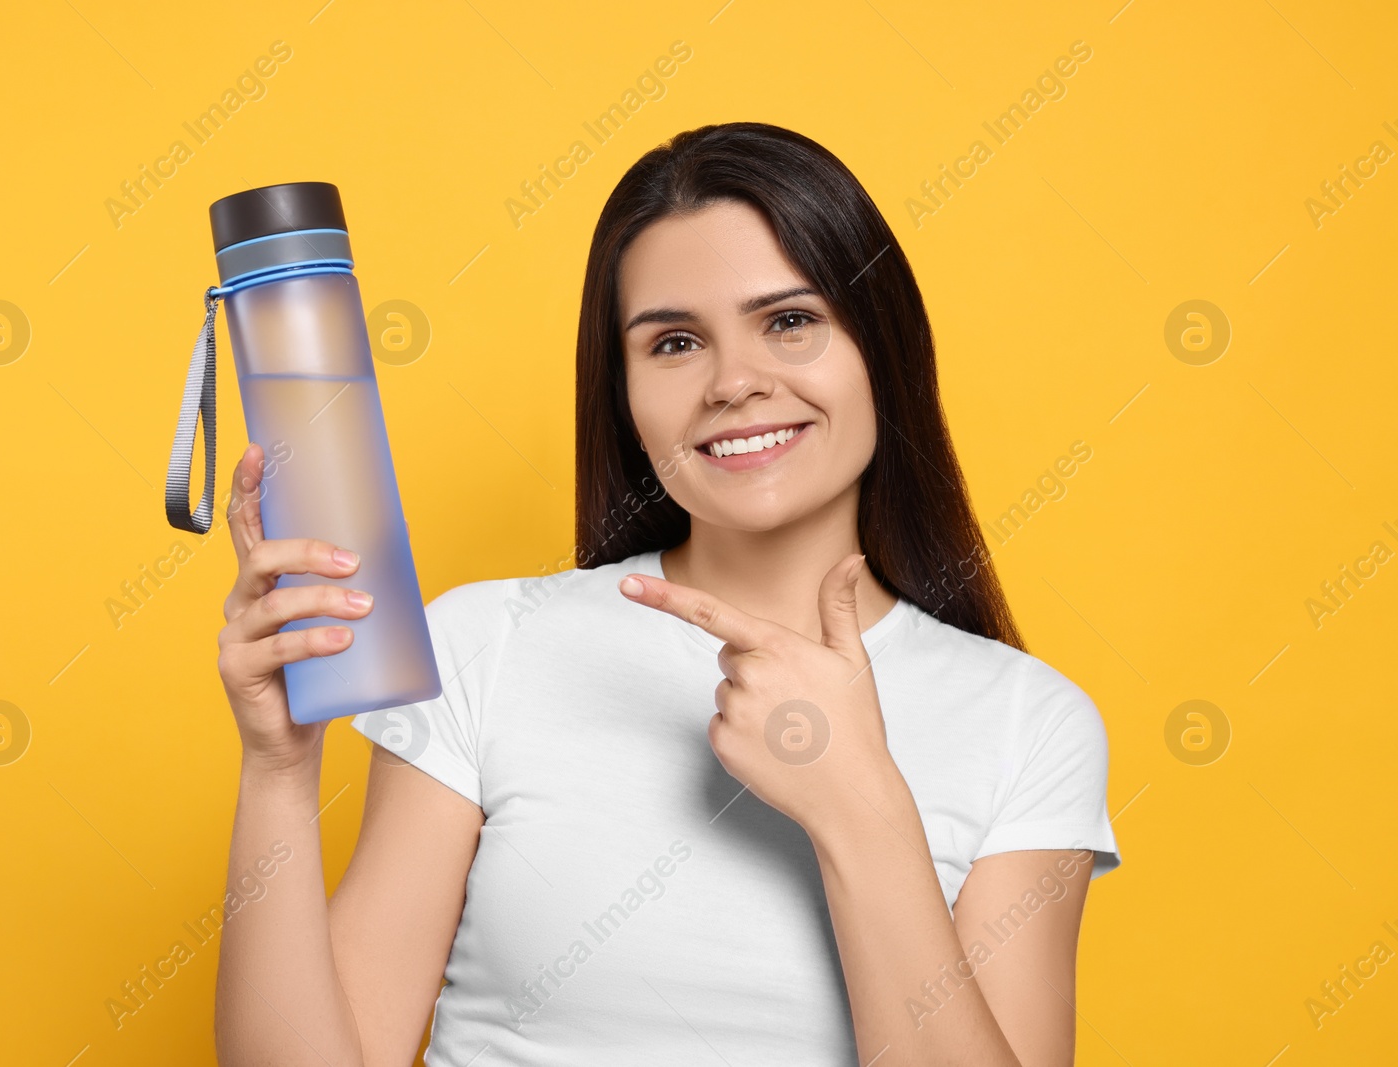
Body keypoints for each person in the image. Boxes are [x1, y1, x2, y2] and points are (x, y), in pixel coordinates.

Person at [211, 121, 1120, 1067]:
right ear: (625, 393)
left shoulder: (1032, 723)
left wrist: (860, 802)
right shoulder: (487, 643)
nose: (735, 382)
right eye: (676, 342)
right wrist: (277, 773)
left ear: (881, 348)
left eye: (790, 321)